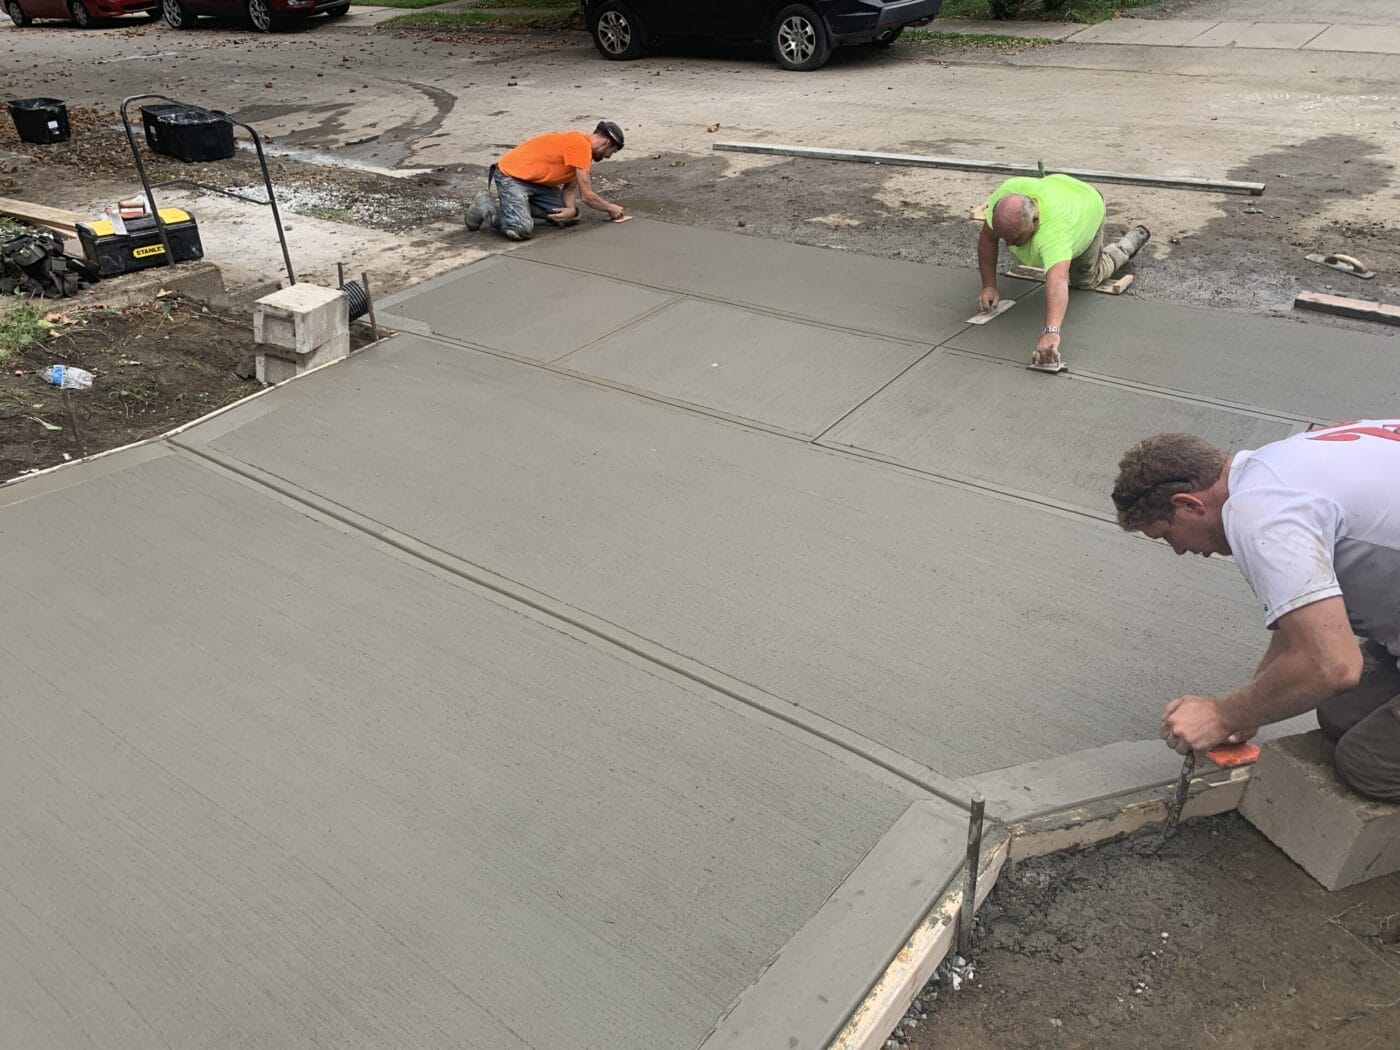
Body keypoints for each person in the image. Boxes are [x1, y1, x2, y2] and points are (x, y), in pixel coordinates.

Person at [1111, 423, 1400, 802]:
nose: (1178, 550)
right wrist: (1249, 709)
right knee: (1339, 713)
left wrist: (1222, 714)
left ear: (1189, 504)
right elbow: (1301, 615)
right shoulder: (1275, 467)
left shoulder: (1260, 512)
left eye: (1167, 534)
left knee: (1367, 763)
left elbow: (1333, 666)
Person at [975, 174, 1150, 368]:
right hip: (1064, 189)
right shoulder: (1003, 200)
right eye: (1005, 238)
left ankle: (1124, 248)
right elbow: (987, 239)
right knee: (1046, 253)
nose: (1008, 244)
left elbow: (1058, 279)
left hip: (1088, 207)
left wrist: (1051, 332)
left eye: (1015, 238)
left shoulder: (1055, 231)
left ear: (1035, 220)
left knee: (1084, 280)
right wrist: (988, 286)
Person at [466, 121, 626, 241]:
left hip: (535, 183)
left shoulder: (584, 153)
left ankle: (519, 206)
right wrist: (610, 208)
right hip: (511, 176)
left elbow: (569, 188)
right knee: (520, 229)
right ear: (607, 143)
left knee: (570, 217)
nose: (608, 156)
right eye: (611, 152)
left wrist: (570, 209)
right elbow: (587, 196)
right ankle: (484, 205)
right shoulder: (580, 144)